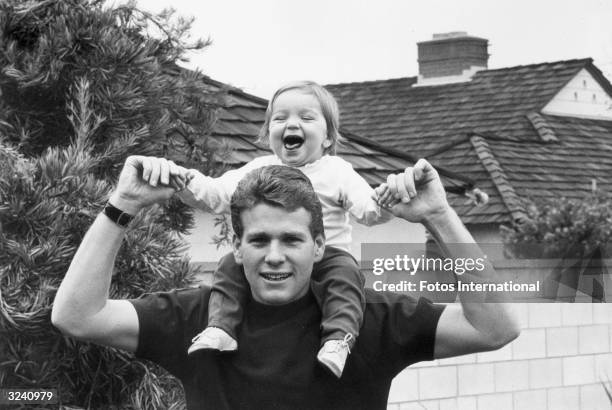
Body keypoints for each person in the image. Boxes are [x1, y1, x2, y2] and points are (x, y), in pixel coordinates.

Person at [52, 157, 520, 410]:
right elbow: (77, 315)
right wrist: (122, 205)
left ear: (320, 246)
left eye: (291, 239)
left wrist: (439, 216)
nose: (274, 255)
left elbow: (494, 329)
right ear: (237, 247)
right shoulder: (198, 318)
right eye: (259, 240)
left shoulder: (371, 318)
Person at [171, 80, 395, 377]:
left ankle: (338, 339)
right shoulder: (258, 169)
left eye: (306, 117)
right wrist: (183, 181)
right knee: (229, 266)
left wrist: (389, 199)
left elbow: (368, 210)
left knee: (347, 276)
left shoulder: (337, 171)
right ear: (268, 134)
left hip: (328, 257)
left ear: (328, 138)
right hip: (275, 261)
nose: (291, 124)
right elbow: (216, 194)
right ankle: (221, 328)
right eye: (280, 118)